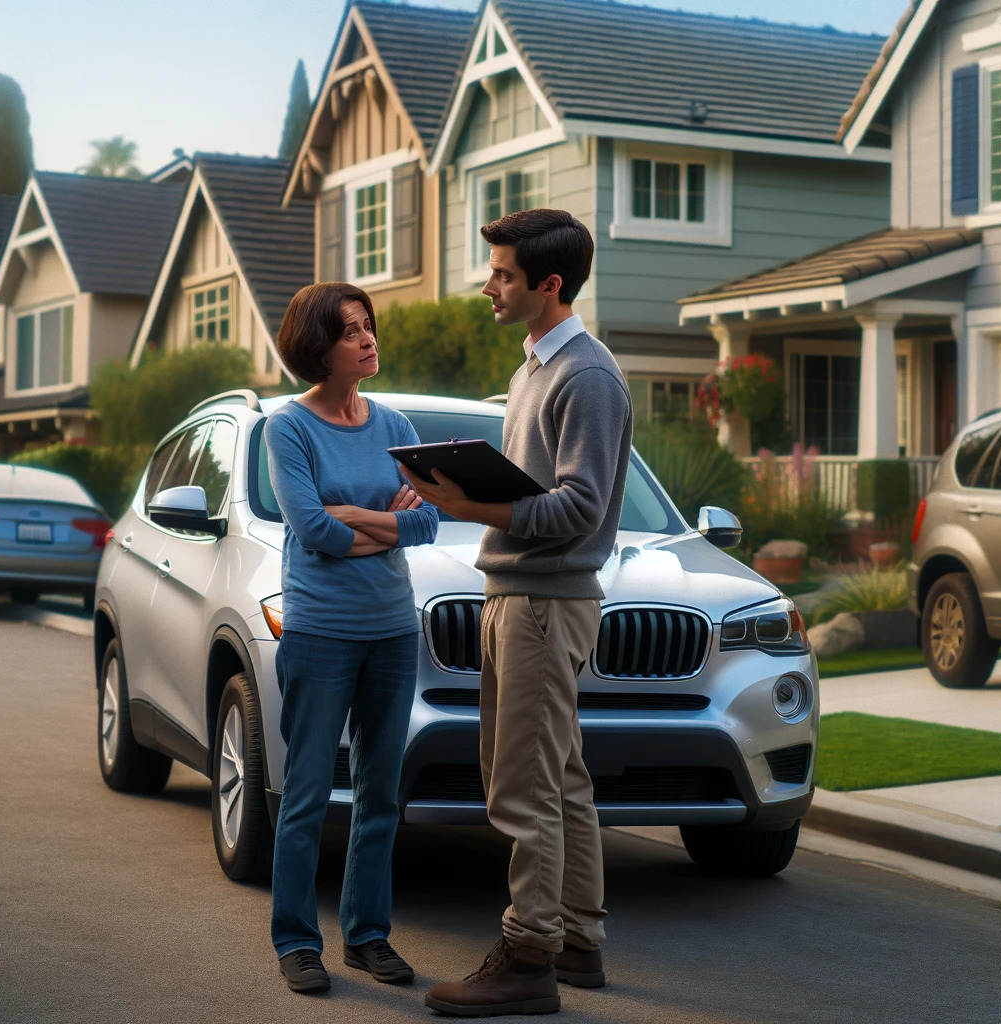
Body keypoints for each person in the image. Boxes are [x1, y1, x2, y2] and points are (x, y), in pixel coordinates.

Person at [405, 209, 631, 1017]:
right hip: (521, 595)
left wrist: (471, 506)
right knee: (561, 777)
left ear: (550, 285)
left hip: (543, 600)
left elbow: (579, 507)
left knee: (521, 787)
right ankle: (577, 941)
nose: (488, 284)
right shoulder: (535, 368)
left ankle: (529, 954)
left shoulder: (587, 377)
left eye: (502, 274)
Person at [263, 281, 438, 995]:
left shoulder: (395, 423)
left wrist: (356, 523)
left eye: (368, 325)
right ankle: (298, 941)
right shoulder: (288, 428)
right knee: (307, 791)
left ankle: (367, 937)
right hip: (321, 634)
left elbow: (428, 523)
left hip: (394, 631)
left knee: (379, 793)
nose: (368, 339)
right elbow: (312, 530)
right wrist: (381, 524)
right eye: (350, 331)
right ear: (318, 348)